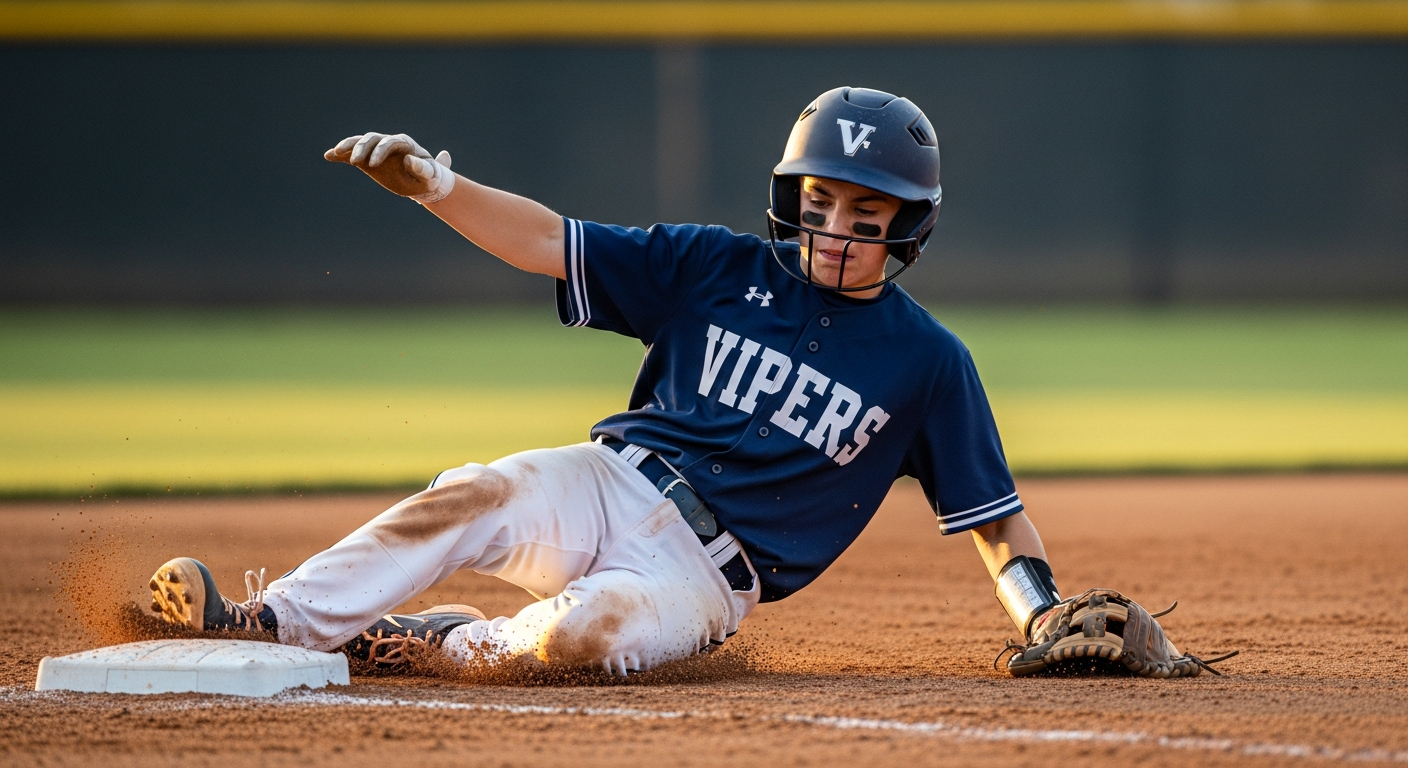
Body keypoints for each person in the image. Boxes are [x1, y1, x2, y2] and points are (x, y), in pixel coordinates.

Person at [146, 86, 1064, 675]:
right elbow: (549, 239)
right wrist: (437, 188)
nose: (834, 226)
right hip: (608, 481)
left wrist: (1041, 614)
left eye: (865, 210)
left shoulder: (931, 364)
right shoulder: (713, 266)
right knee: (473, 492)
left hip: (703, 577)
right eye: (818, 201)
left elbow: (994, 519)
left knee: (583, 639)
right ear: (791, 199)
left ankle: (437, 644)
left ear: (912, 226)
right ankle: (273, 619)